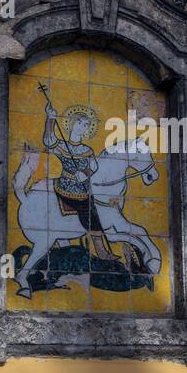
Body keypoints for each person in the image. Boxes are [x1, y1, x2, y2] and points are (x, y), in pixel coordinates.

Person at [44, 101, 116, 262]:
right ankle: (102, 252)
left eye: (85, 125)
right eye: (79, 122)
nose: (81, 127)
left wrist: (85, 174)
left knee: (93, 203)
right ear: (71, 123)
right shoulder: (62, 145)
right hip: (67, 187)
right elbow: (49, 141)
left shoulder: (86, 150)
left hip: (83, 186)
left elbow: (94, 166)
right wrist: (50, 119)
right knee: (89, 210)